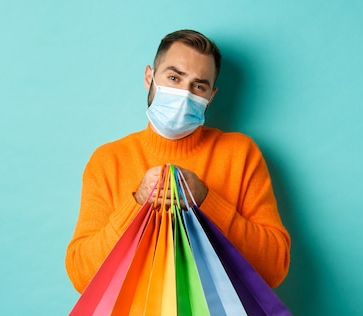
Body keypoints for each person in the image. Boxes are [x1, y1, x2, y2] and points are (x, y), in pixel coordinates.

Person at [65, 29, 290, 295]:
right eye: (174, 77)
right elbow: (82, 276)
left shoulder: (241, 154)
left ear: (211, 96)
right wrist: (137, 201)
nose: (184, 94)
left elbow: (274, 267)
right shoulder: (108, 161)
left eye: (198, 86)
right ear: (149, 77)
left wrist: (206, 200)